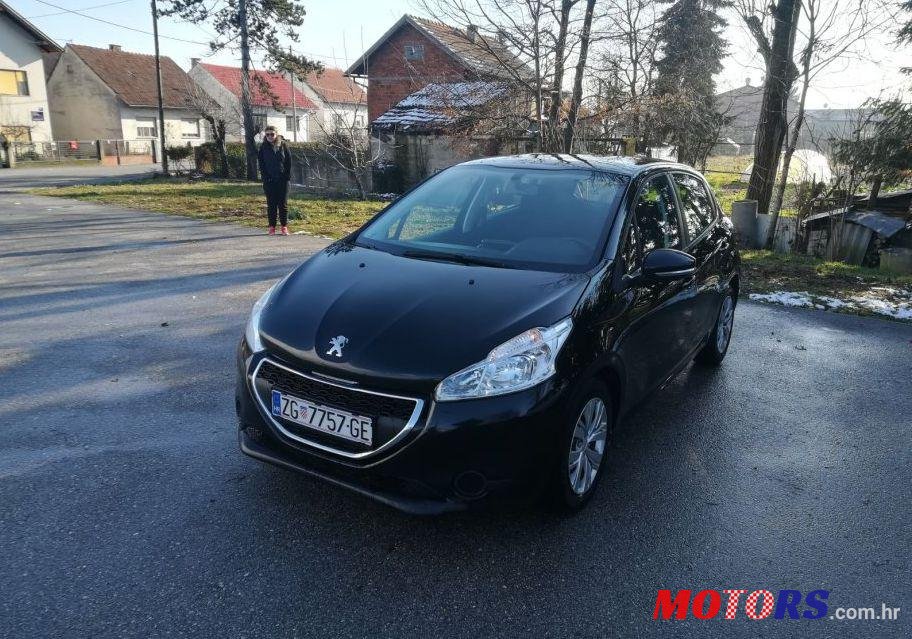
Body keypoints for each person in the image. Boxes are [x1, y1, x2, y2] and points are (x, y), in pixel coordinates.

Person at [257, 125, 292, 235]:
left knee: (283, 204)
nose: (270, 136)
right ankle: (272, 227)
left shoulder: (283, 145)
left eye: (272, 134)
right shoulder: (263, 147)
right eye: (267, 134)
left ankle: (284, 227)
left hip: (283, 180)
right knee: (271, 204)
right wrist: (265, 178)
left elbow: (288, 162)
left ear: (276, 134)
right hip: (269, 181)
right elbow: (261, 164)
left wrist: (286, 176)